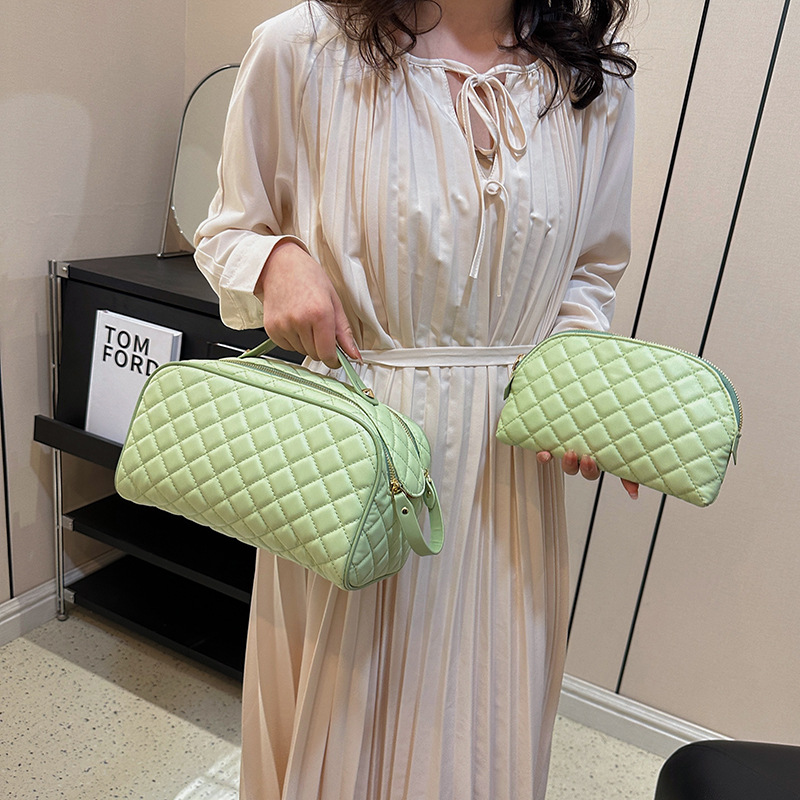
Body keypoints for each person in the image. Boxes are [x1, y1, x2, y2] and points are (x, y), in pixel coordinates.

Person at [194, 0, 637, 797]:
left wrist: (578, 393)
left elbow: (590, 275)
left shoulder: (587, 81)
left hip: (506, 481)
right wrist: (278, 261)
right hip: (354, 455)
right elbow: (227, 232)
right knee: (338, 723)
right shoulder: (303, 47)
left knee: (479, 730)